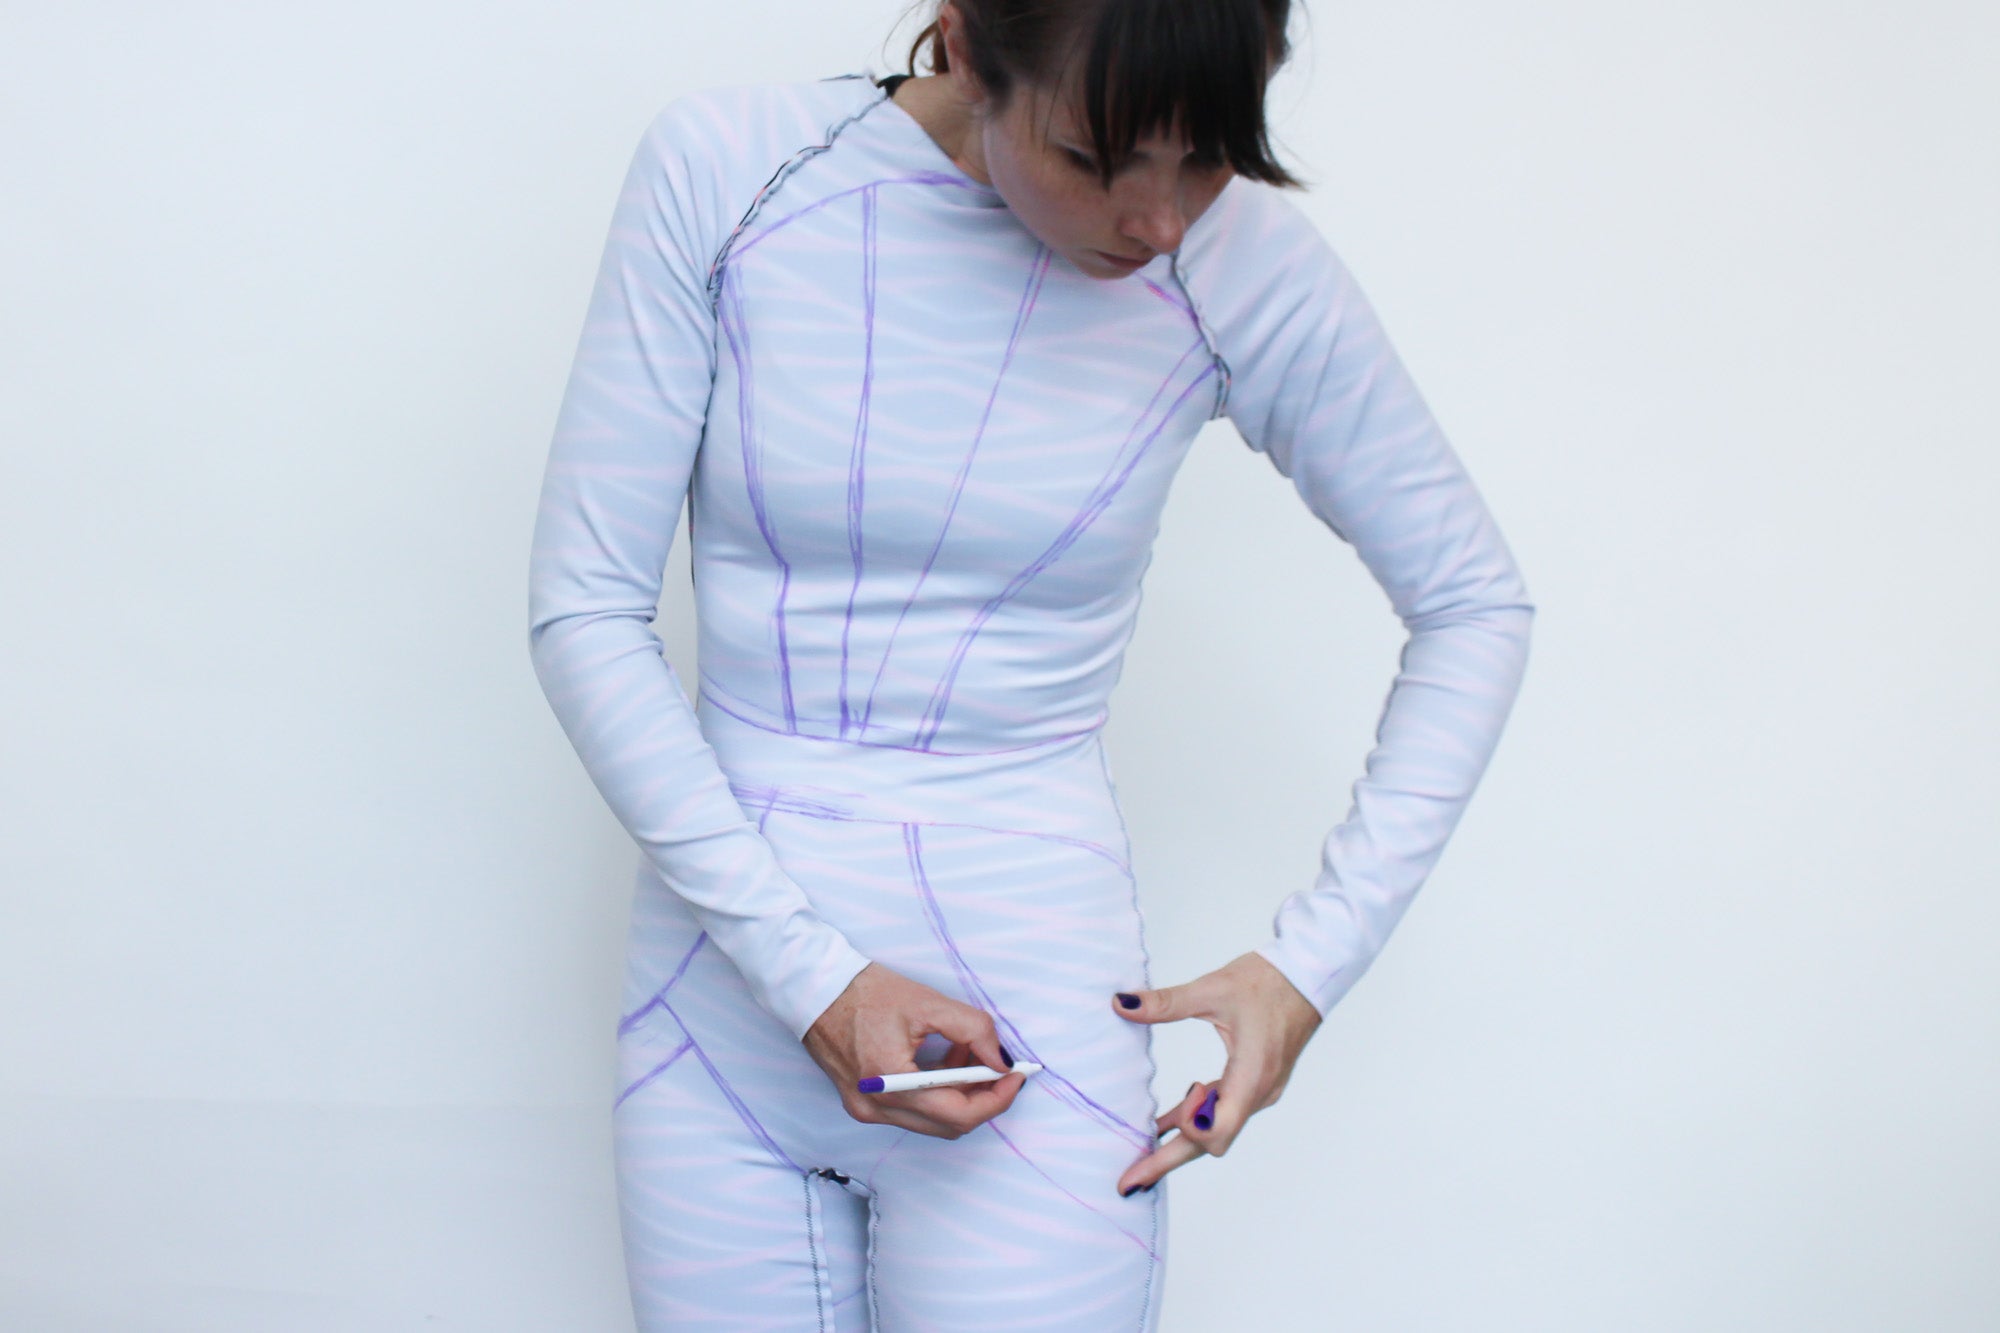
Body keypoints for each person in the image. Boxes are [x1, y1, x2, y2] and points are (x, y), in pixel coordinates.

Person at [526, 0, 1534, 1325]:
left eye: (1205, 156)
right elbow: (586, 608)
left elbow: (1473, 601)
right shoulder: (731, 171)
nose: (1160, 220)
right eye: (1097, 158)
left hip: (1033, 1042)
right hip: (718, 1025)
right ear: (961, 44)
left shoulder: (1239, 265)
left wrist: (1309, 967)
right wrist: (814, 982)